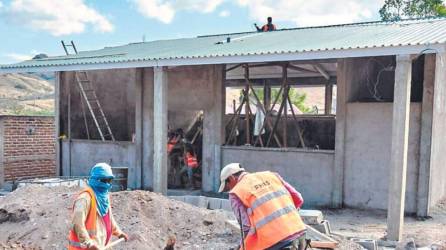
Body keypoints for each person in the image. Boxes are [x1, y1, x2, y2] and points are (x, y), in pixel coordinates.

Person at [219, 163, 306, 250]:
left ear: (231, 178)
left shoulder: (236, 193)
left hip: (276, 243)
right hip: (299, 233)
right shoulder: (272, 176)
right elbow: (298, 199)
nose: (230, 190)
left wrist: (241, 247)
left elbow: (246, 227)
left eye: (227, 187)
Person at [68, 163, 128, 250]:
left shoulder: (104, 197)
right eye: (104, 181)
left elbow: (108, 219)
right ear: (96, 179)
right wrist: (88, 243)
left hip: (101, 245)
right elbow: (77, 223)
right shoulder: (85, 199)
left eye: (109, 181)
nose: (107, 184)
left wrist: (118, 233)